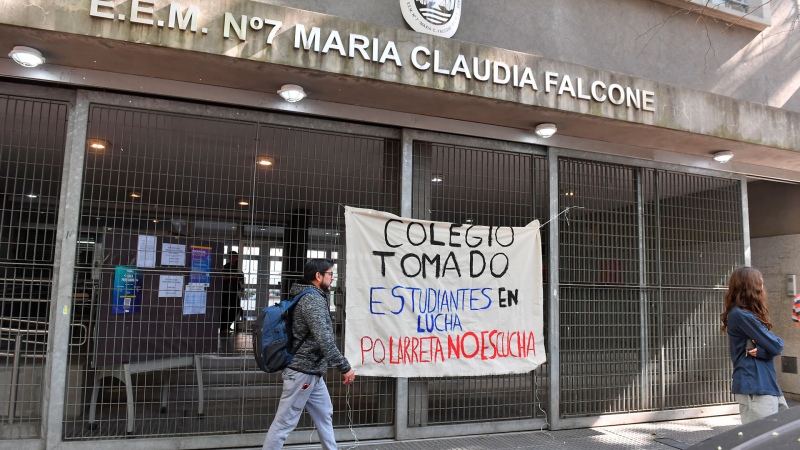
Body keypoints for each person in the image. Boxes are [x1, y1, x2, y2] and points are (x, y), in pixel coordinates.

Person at [263, 258, 355, 450]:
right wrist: (344, 367)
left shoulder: (312, 296)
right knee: (284, 423)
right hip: (302, 372)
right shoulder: (312, 300)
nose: (332, 278)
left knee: (324, 414)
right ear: (318, 276)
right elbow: (325, 340)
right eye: (330, 274)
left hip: (312, 371)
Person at [721, 266, 788, 424]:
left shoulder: (748, 316)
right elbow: (777, 345)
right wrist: (769, 348)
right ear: (752, 287)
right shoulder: (741, 316)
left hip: (766, 385)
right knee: (762, 441)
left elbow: (772, 346)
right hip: (755, 386)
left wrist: (764, 352)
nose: (763, 288)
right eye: (761, 284)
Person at [220, 251, 244, 336]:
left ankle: (228, 325)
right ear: (229, 257)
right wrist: (233, 276)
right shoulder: (226, 267)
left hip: (234, 291)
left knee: (236, 307)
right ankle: (223, 327)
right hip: (226, 290)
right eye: (232, 257)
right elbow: (223, 278)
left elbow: (241, 277)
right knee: (225, 309)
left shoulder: (238, 266)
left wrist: (242, 286)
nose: (234, 258)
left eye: (235, 256)